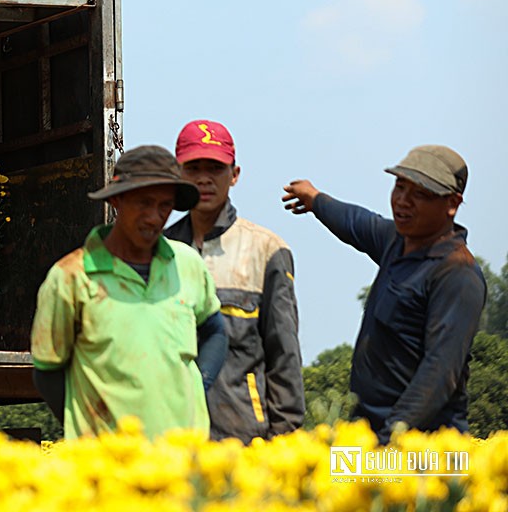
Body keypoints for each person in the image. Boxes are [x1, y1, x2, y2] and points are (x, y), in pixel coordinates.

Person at [282, 145, 485, 440]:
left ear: (452, 204)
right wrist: (314, 198)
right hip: (369, 431)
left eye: (420, 194)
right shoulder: (398, 240)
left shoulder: (457, 274)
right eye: (400, 187)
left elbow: (440, 372)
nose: (403, 201)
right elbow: (356, 222)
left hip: (423, 447)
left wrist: (392, 437)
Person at [31, 145, 228, 439]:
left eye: (164, 206)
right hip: (108, 467)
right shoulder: (72, 276)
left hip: (183, 460)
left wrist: (199, 383)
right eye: (144, 203)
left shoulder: (186, 264)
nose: (154, 216)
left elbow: (216, 331)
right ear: (117, 200)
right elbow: (47, 372)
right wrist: (88, 429)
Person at [163, 120, 304, 441]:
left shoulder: (267, 249)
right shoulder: (160, 251)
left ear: (235, 174)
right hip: (170, 438)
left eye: (215, 168)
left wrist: (285, 438)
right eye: (193, 167)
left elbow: (284, 354)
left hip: (245, 436)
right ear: (177, 174)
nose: (203, 178)